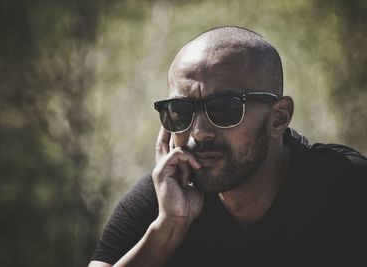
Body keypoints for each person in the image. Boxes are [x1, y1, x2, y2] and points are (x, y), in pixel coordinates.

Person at [88, 26, 367, 267]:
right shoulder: (167, 196)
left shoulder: (345, 187)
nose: (199, 131)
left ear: (278, 118)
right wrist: (169, 226)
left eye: (224, 109)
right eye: (180, 111)